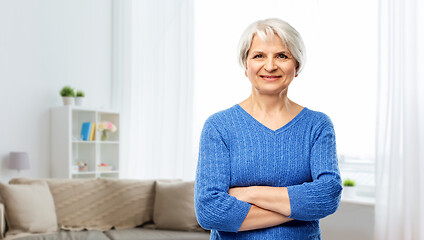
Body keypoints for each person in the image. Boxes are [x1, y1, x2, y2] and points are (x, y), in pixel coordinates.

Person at [194, 18, 342, 239]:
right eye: (258, 56)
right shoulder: (219, 127)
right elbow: (210, 212)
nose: (270, 65)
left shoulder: (317, 125)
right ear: (246, 65)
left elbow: (328, 195)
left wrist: (249, 193)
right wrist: (300, 208)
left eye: (282, 56)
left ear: (297, 66)